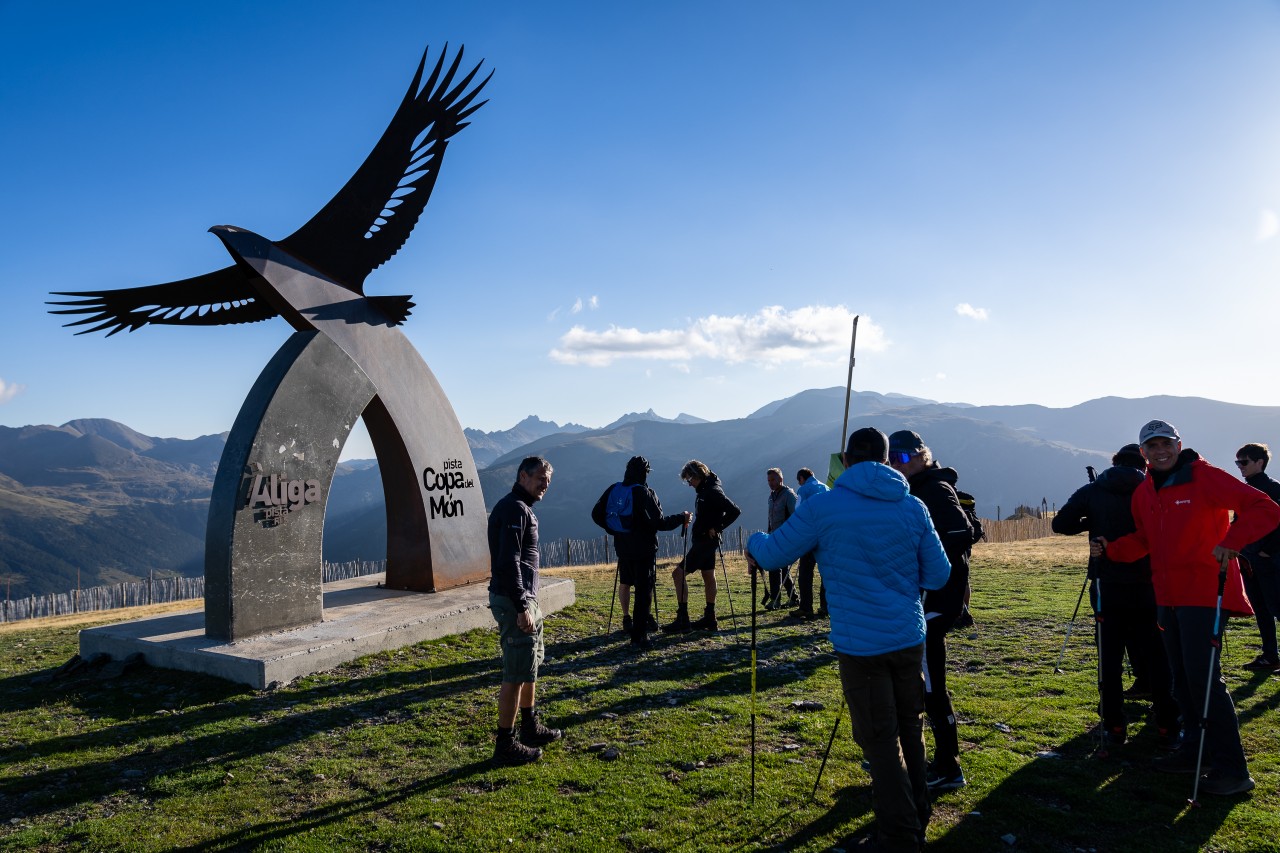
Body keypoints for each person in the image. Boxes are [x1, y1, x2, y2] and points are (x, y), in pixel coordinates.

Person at [748, 428, 950, 853]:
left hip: (862, 646)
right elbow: (938, 575)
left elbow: (771, 555)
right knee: (909, 727)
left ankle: (899, 835)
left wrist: (753, 542)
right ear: (886, 458)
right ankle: (916, 816)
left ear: (846, 459)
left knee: (879, 738)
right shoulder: (912, 506)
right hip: (909, 636)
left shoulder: (824, 507)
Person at [1093, 420, 1280, 796]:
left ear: (1178, 445)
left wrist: (1233, 540)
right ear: (1143, 452)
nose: (1160, 450)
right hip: (1168, 597)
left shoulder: (1204, 476)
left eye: (1166, 443)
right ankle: (1196, 753)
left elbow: (1265, 507)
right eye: (1152, 446)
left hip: (1205, 593)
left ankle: (1232, 771)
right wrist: (1111, 548)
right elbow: (1147, 538)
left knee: (1204, 680)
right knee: (1181, 679)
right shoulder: (1145, 491)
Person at [1052, 443, 1180, 749]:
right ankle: (1166, 724)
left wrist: (1091, 522)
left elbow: (1060, 524)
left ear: (1115, 462)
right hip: (1151, 583)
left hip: (1107, 582)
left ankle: (1114, 725)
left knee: (1109, 658)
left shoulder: (1094, 489)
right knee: (1159, 655)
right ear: (1145, 462)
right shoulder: (1154, 488)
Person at [886, 430, 973, 793]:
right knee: (919, 681)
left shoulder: (933, 490)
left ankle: (949, 766)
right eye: (891, 458)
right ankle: (918, 757)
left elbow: (960, 532)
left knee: (931, 684)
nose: (897, 465)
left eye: (904, 458)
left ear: (923, 456)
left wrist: (922, 562)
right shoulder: (918, 488)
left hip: (935, 601)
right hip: (928, 599)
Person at [487, 456, 563, 765]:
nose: (545, 484)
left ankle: (530, 726)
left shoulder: (521, 508)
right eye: (540, 478)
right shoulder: (514, 510)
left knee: (529, 665)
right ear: (522, 476)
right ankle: (505, 743)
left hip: (526, 598)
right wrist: (521, 606)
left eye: (548, 480)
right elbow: (509, 561)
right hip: (514, 599)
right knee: (516, 672)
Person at [591, 455, 692, 649]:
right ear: (645, 473)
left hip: (622, 548)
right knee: (643, 591)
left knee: (627, 584)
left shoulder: (614, 489)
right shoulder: (644, 493)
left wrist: (614, 529)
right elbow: (659, 523)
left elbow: (596, 514)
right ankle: (639, 635)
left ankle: (635, 624)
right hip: (644, 550)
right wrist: (682, 517)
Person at [662, 460, 741, 633]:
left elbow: (734, 510)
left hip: (705, 541)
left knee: (678, 574)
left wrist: (717, 527)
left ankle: (683, 619)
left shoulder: (712, 491)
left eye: (689, 479)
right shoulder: (706, 488)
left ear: (697, 475)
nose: (689, 484)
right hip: (705, 540)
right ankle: (710, 618)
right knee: (708, 575)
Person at [1233, 442, 1280, 672]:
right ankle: (1270, 655)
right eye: (1237, 462)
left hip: (1269, 560)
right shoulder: (1243, 491)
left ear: (1259, 462)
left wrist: (1267, 550)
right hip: (1249, 559)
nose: (1240, 467)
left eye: (1244, 462)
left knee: (1277, 608)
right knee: (1261, 610)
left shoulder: (1273, 489)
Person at [791, 467, 829, 620]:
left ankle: (806, 607)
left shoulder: (804, 490)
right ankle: (826, 606)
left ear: (801, 478)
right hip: (826, 534)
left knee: (806, 572)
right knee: (825, 572)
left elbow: (798, 511)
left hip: (810, 535)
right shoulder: (826, 487)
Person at [763, 467, 799, 610]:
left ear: (781, 479)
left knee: (774, 567)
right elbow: (770, 518)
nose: (770, 483)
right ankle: (794, 598)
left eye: (773, 479)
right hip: (773, 537)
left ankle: (775, 600)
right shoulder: (771, 497)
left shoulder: (789, 495)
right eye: (769, 480)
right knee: (783, 569)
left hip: (785, 538)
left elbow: (796, 516)